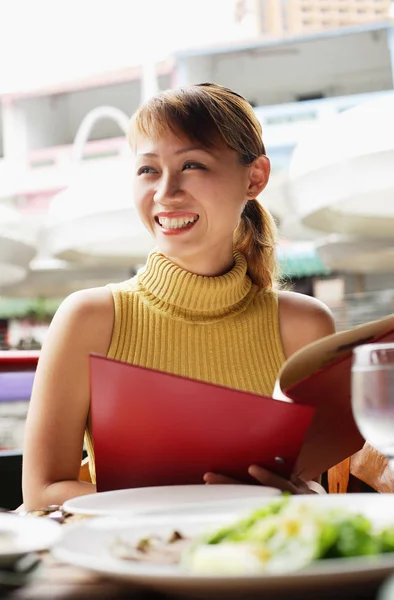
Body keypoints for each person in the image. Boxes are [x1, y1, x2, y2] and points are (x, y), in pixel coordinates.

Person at [22, 83, 335, 509]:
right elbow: (43, 492)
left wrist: (301, 495)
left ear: (255, 177)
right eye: (148, 170)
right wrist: (197, 509)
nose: (166, 192)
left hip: (252, 564)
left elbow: (308, 486)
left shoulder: (303, 326)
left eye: (192, 165)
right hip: (127, 559)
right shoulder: (88, 318)